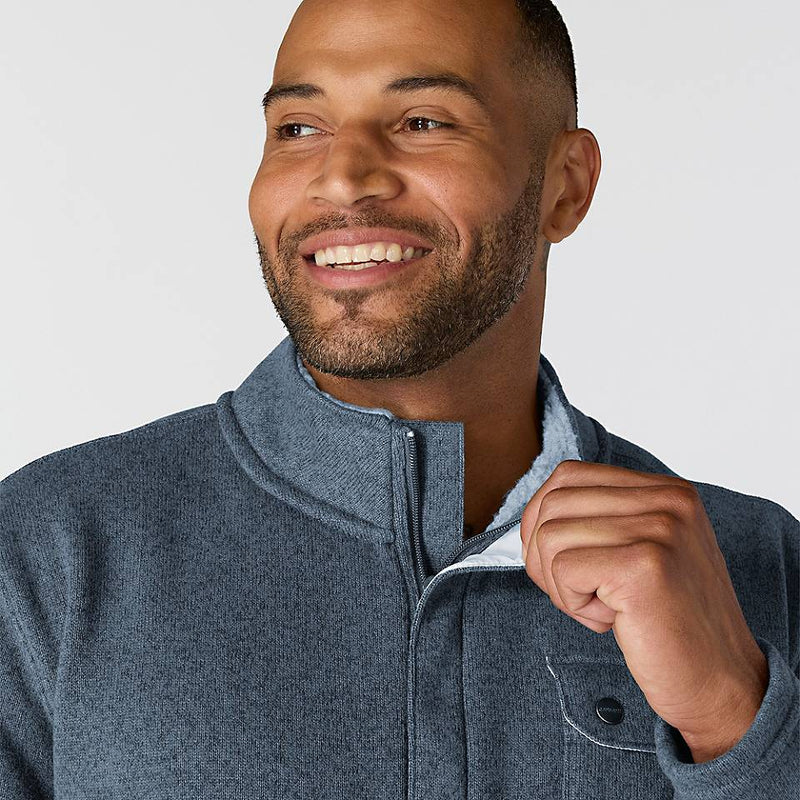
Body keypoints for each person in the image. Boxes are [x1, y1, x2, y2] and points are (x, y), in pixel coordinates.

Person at [1, 0, 797, 797]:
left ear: (566, 186)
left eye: (422, 121)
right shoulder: (46, 555)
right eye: (298, 128)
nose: (342, 176)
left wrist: (733, 718)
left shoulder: (761, 566)